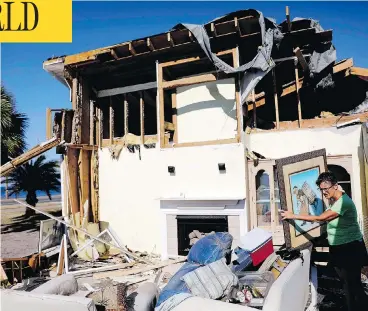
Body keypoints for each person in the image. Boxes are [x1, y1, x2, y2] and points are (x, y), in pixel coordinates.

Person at [281, 171, 368, 311]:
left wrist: (293, 216)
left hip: (350, 248)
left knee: (352, 286)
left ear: (335, 186)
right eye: (321, 190)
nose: (323, 192)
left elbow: (321, 218)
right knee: (348, 284)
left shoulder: (343, 203)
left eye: (326, 189)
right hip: (340, 248)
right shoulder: (335, 198)